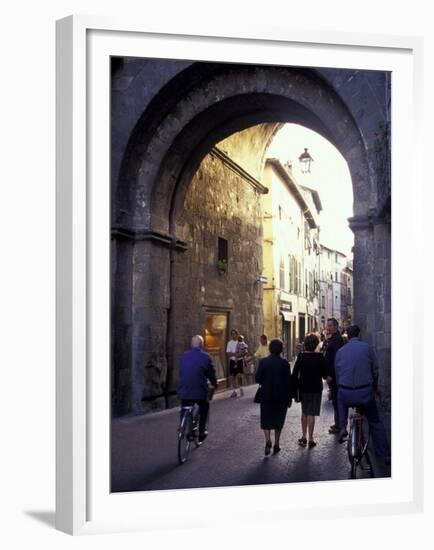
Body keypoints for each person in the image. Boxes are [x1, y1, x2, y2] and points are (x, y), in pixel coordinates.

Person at [335, 325, 390, 462]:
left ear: (347, 335)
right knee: (375, 421)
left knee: (340, 399)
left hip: (346, 392)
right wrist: (375, 387)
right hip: (365, 392)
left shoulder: (340, 351)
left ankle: (342, 426)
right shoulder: (367, 348)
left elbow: (338, 373)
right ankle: (385, 454)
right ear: (359, 335)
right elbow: (375, 370)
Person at [255, 339, 292, 456]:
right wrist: (290, 397)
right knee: (278, 420)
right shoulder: (285, 364)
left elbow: (258, 378)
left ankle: (267, 441)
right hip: (281, 397)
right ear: (281, 349)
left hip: (266, 395)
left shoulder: (264, 362)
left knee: (266, 419)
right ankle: (277, 443)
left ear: (270, 348)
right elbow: (288, 382)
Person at [177, 335, 217, 443]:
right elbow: (211, 374)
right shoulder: (205, 357)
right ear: (202, 345)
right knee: (204, 406)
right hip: (199, 391)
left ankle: (181, 427)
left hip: (184, 389)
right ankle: (201, 431)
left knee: (185, 406)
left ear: (191, 345)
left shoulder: (184, 356)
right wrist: (214, 383)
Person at [292, 333, 327, 448]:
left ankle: (303, 436)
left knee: (304, 412)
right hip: (316, 388)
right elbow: (324, 375)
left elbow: (294, 374)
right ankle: (311, 438)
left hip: (304, 387)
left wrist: (295, 386)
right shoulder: (320, 357)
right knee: (311, 413)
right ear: (316, 344)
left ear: (305, 344)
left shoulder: (301, 356)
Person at [323, 318, 345, 434]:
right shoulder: (333, 338)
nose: (328, 328)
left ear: (336, 326)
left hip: (335, 376)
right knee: (335, 400)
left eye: (330, 326)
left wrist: (330, 374)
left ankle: (339, 425)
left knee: (337, 400)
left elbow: (336, 359)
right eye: (328, 326)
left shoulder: (337, 339)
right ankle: (338, 424)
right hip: (333, 375)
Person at [226, 328, 244, 397]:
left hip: (239, 360)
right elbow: (228, 352)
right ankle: (234, 391)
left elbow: (244, 351)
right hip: (232, 361)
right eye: (232, 334)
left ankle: (241, 388)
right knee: (232, 376)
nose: (233, 335)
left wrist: (240, 354)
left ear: (237, 334)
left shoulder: (240, 342)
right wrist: (234, 354)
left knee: (239, 376)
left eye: (234, 334)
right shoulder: (229, 343)